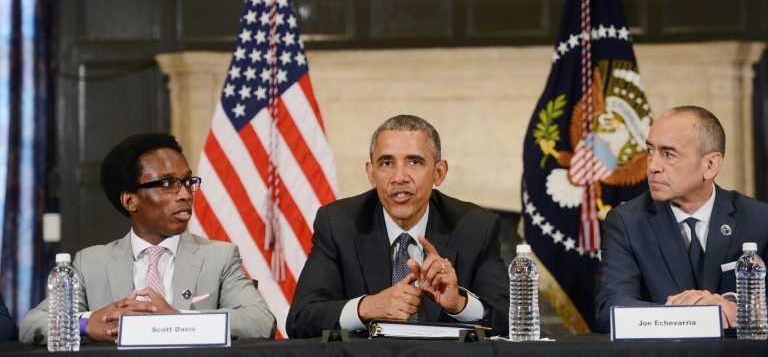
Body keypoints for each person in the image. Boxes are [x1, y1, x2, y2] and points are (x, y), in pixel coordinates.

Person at [20, 133, 275, 344]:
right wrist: (87, 323)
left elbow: (260, 321)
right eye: (168, 183)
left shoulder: (219, 256)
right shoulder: (90, 262)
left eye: (188, 182)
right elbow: (31, 324)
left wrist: (178, 319)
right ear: (130, 200)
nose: (185, 194)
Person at [286, 115, 509, 338]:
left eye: (415, 162)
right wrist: (366, 307)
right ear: (371, 174)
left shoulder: (475, 227)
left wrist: (460, 304)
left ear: (439, 173)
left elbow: (512, 320)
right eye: (386, 163)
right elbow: (301, 319)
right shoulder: (339, 223)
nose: (399, 177)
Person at [595, 106, 768, 333]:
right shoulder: (626, 222)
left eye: (669, 154)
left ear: (710, 165)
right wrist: (691, 315)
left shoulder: (759, 219)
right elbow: (611, 309)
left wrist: (738, 308)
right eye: (650, 151)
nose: (653, 166)